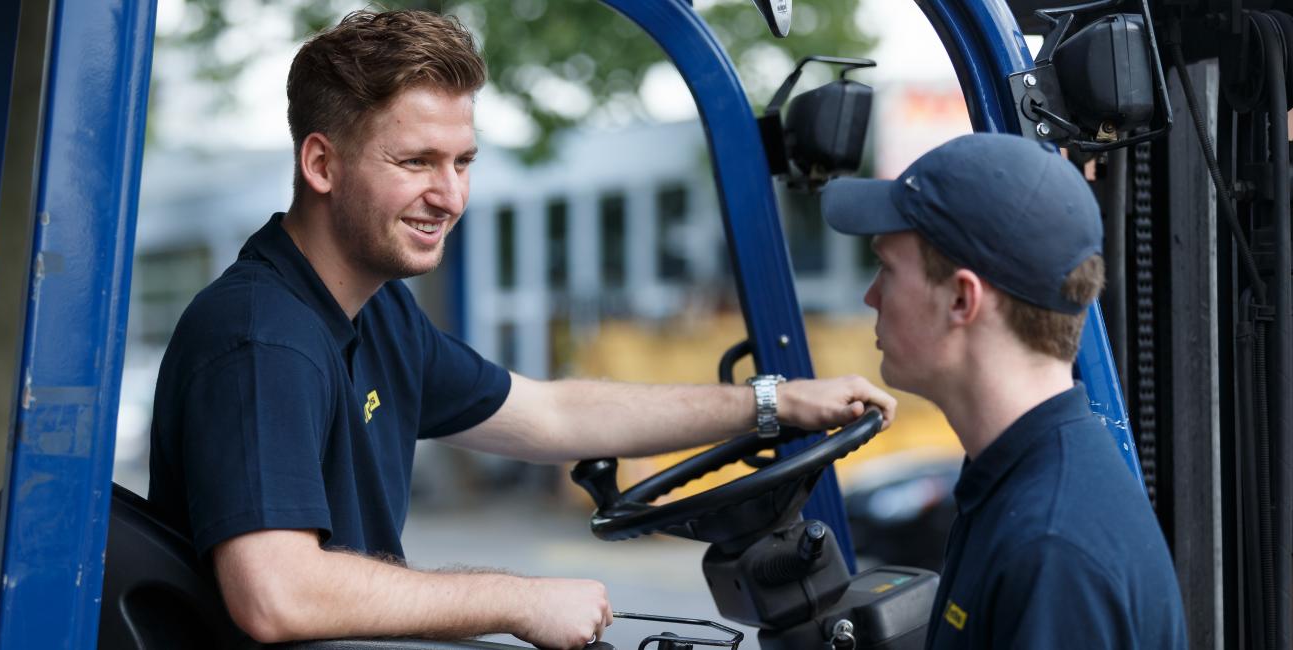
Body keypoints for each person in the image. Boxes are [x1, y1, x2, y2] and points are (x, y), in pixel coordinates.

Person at [147, 9, 897, 648]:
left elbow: (550, 413)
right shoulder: (261, 337)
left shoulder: (372, 314)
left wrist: (771, 404)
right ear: (322, 163)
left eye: (463, 162)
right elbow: (277, 593)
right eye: (416, 161)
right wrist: (517, 597)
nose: (449, 196)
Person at [820, 133, 1187, 649]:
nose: (871, 295)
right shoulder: (1015, 480)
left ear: (961, 299)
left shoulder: (1051, 551)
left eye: (887, 268)